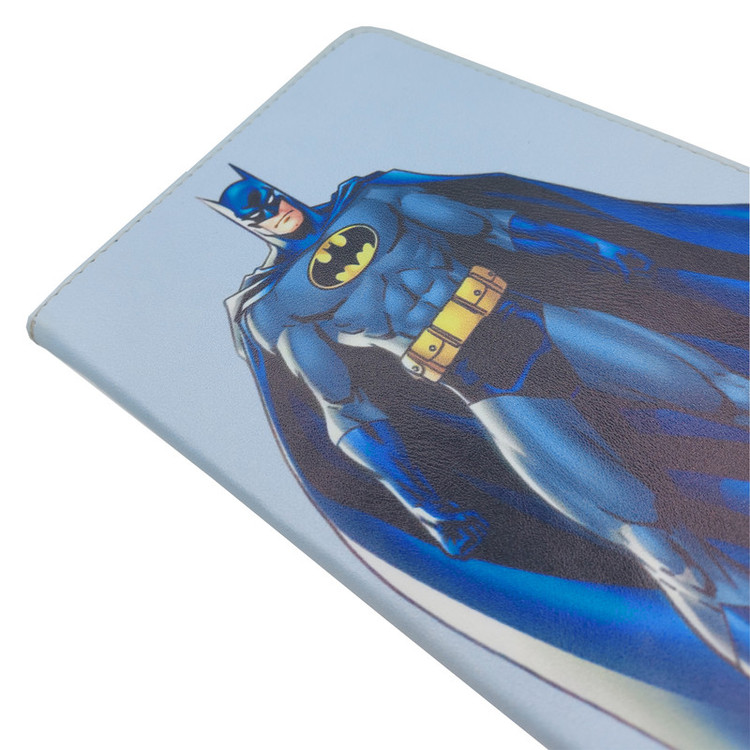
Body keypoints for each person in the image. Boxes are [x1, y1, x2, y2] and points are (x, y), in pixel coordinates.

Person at [205, 166, 749, 675]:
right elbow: (346, 409)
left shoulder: (375, 201)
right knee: (661, 551)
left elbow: (499, 227)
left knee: (733, 393)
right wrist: (424, 504)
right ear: (242, 224)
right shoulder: (277, 308)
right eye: (256, 213)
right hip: (486, 383)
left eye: (267, 197)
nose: (272, 212)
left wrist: (595, 247)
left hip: (536, 322)